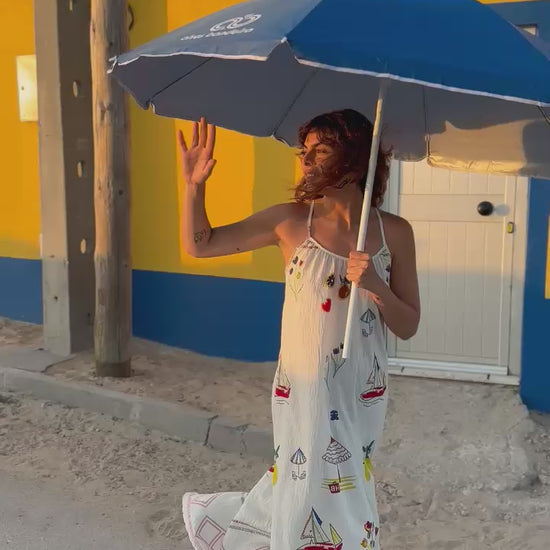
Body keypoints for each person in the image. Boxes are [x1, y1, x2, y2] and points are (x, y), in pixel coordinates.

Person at [179, 109, 420, 550]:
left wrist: (375, 285)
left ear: (356, 159)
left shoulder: (395, 234)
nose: (306, 162)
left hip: (361, 391)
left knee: (349, 482)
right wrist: (194, 188)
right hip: (302, 385)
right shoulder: (289, 223)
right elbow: (201, 245)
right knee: (302, 481)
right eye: (303, 151)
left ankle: (235, 525)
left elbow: (408, 325)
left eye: (320, 151)